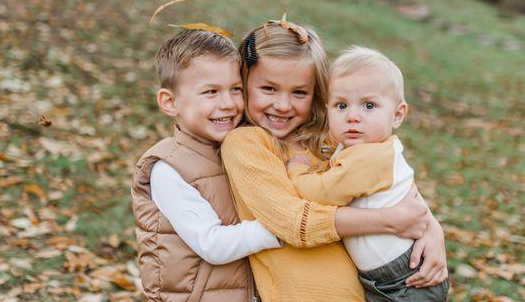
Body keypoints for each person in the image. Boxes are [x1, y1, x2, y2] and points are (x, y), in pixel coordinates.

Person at [221, 21, 445, 302]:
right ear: (244, 84)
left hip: (374, 291)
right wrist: (387, 222)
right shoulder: (247, 143)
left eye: (299, 92)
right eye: (268, 88)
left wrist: (432, 229)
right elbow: (293, 223)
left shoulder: (327, 137)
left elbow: (388, 178)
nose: (282, 105)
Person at [286, 46, 448, 301]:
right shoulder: (362, 148)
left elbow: (322, 193)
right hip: (386, 278)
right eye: (341, 105)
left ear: (397, 115)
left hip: (406, 280)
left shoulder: (370, 156)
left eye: (369, 105)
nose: (352, 116)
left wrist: (297, 171)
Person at [131, 29, 281, 302]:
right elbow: (213, 245)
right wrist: (283, 226)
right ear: (170, 102)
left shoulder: (239, 150)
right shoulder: (168, 168)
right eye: (210, 92)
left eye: (235, 89)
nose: (227, 104)